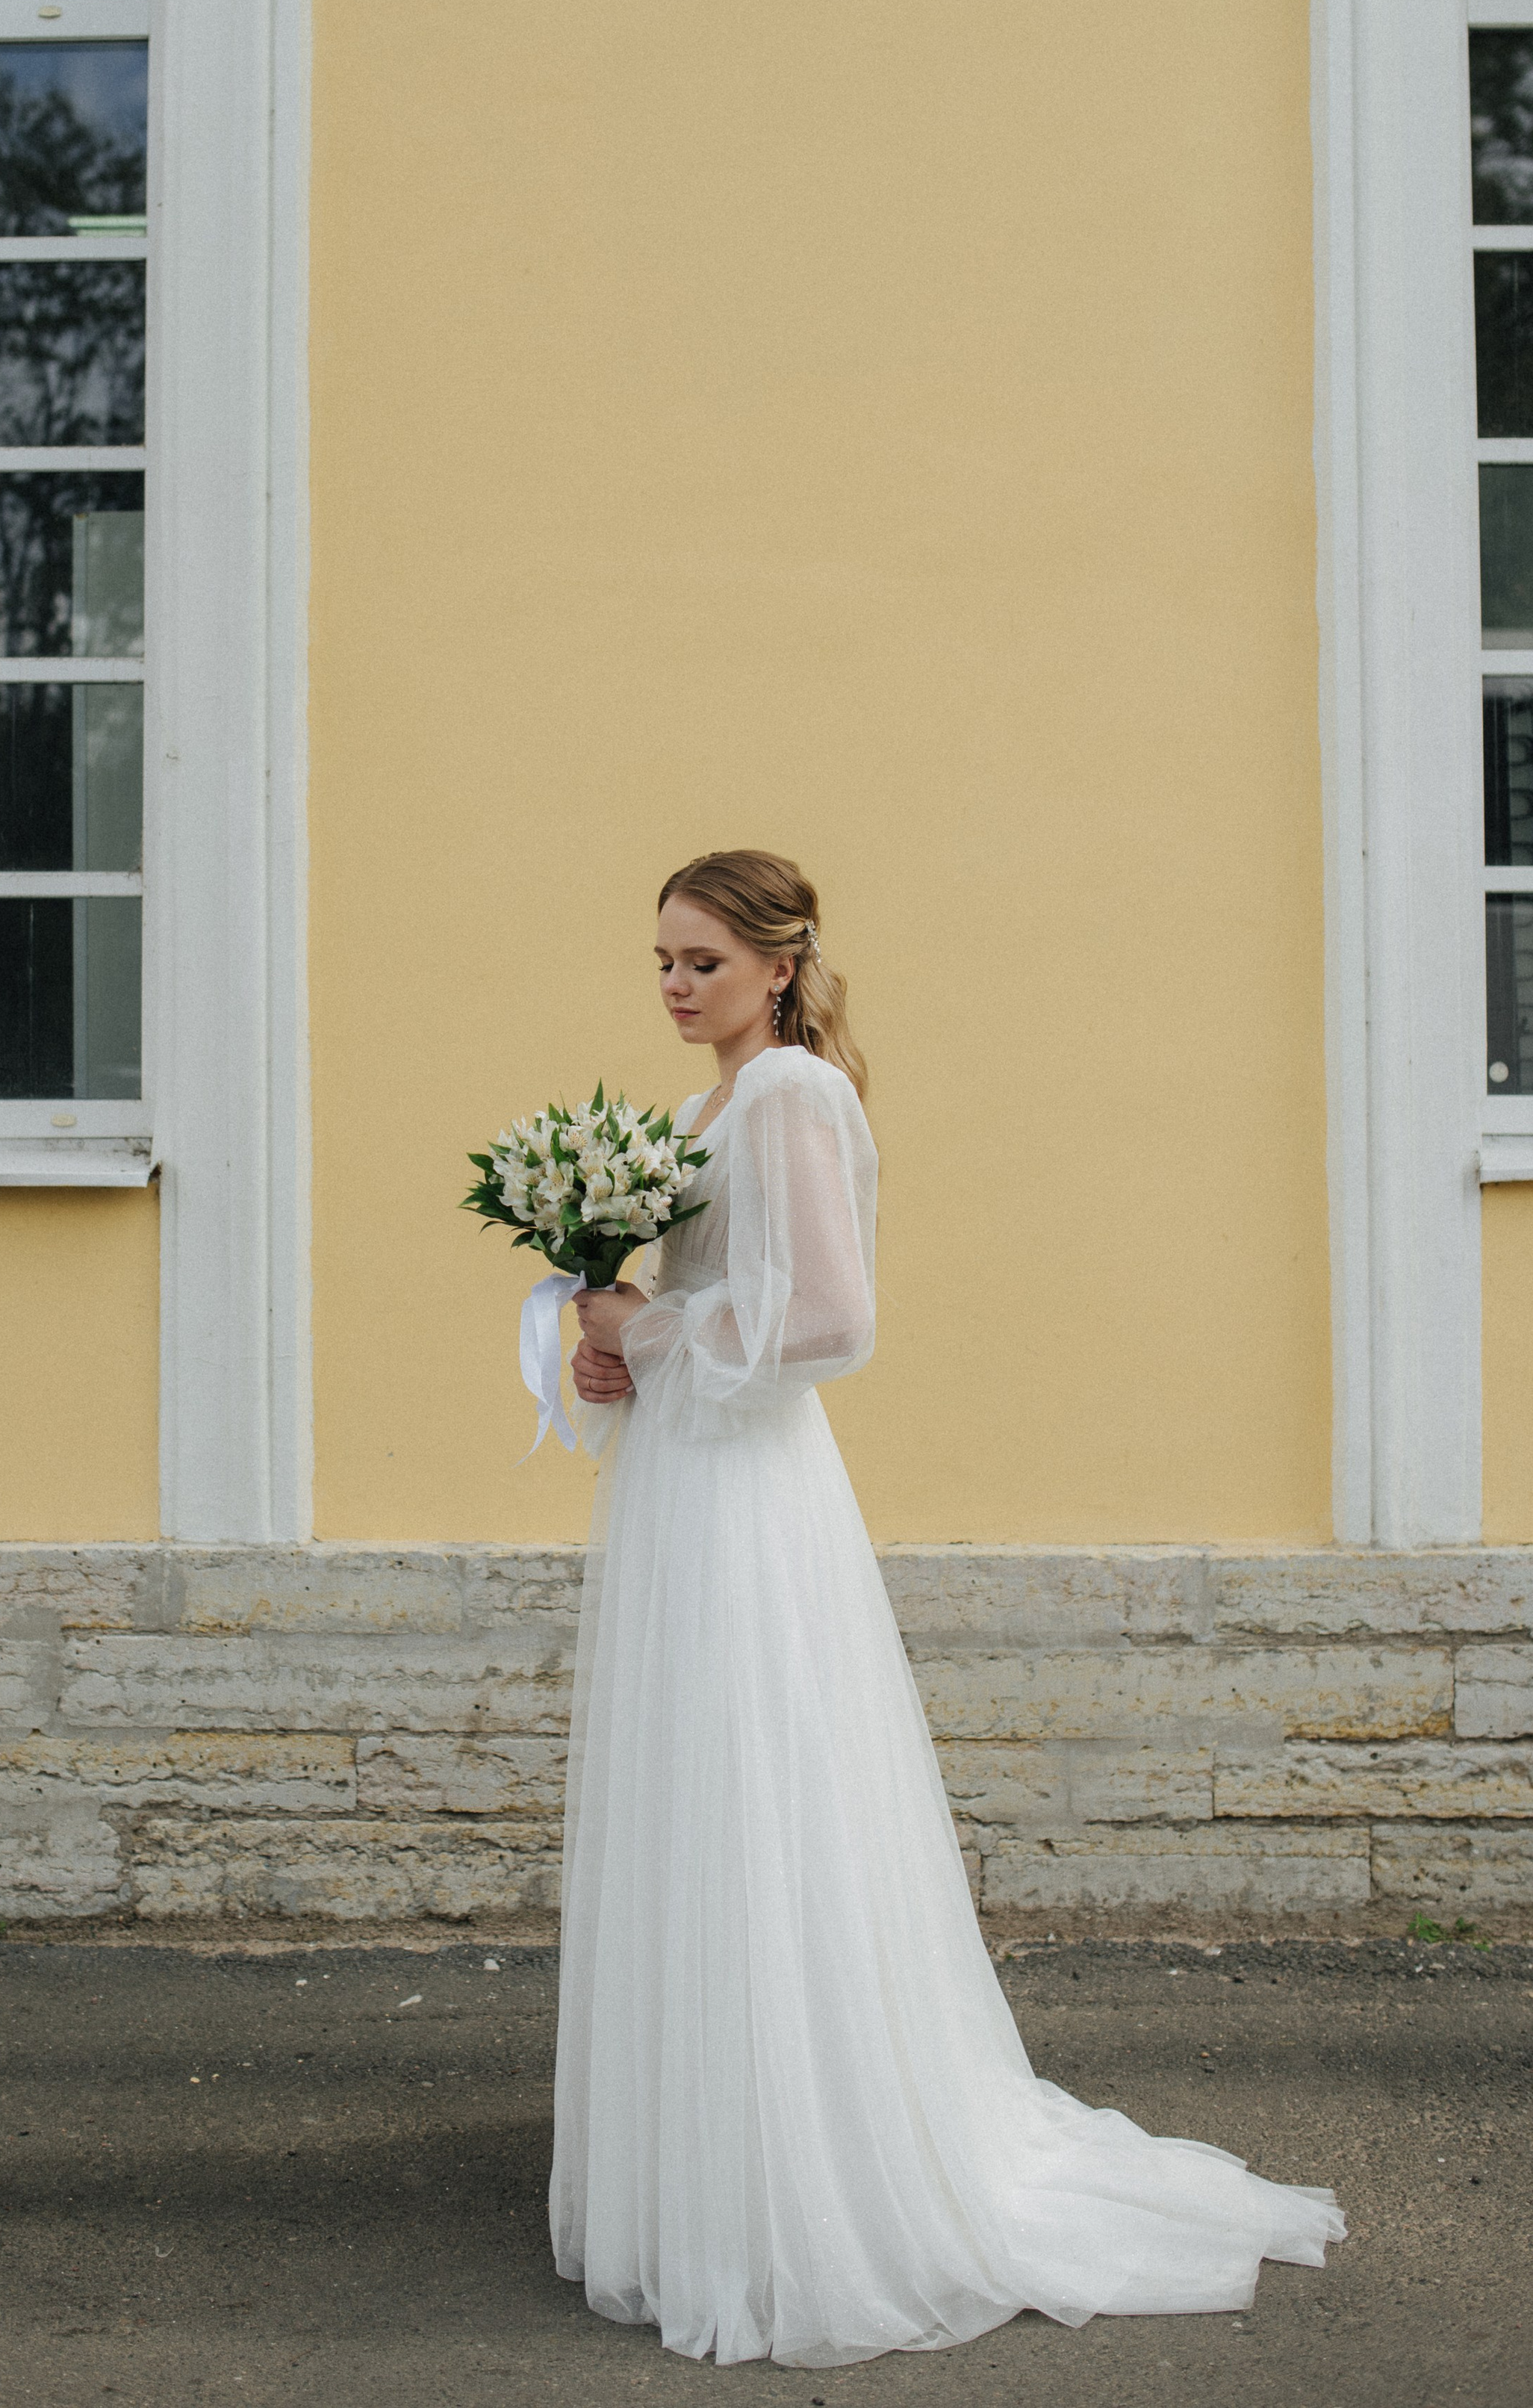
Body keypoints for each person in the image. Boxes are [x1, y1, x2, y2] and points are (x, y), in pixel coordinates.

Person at [550, 847, 1343, 2368]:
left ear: (776, 967)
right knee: (701, 1805)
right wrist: (610, 1344)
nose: (671, 985)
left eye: (700, 962)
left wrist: (654, 1330)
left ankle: (804, 2175)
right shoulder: (704, 1104)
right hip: (685, 1477)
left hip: (744, 1492)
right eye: (657, 959)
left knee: (759, 1792)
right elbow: (703, 1302)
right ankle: (717, 2157)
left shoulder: (786, 1096)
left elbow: (834, 1321)